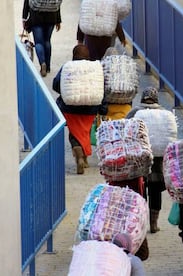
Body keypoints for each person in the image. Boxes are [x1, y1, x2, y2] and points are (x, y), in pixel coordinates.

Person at [52, 44, 107, 174]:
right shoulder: (95, 68)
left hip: (70, 108)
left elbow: (56, 84)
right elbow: (101, 89)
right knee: (85, 131)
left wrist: (66, 93)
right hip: (90, 109)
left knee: (74, 132)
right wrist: (103, 109)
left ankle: (77, 149)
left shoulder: (67, 67)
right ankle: (84, 158)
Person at [126, 87, 167, 234]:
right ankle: (154, 223)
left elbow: (126, 130)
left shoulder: (135, 112)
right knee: (156, 191)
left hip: (139, 161)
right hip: (157, 162)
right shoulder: (164, 113)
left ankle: (141, 222)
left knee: (140, 189)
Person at [22, 0, 62, 77]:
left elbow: (27, 2)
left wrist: (24, 18)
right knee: (47, 41)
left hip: (36, 15)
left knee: (39, 43)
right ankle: (48, 66)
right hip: (52, 14)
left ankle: (42, 63)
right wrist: (58, 20)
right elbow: (57, 3)